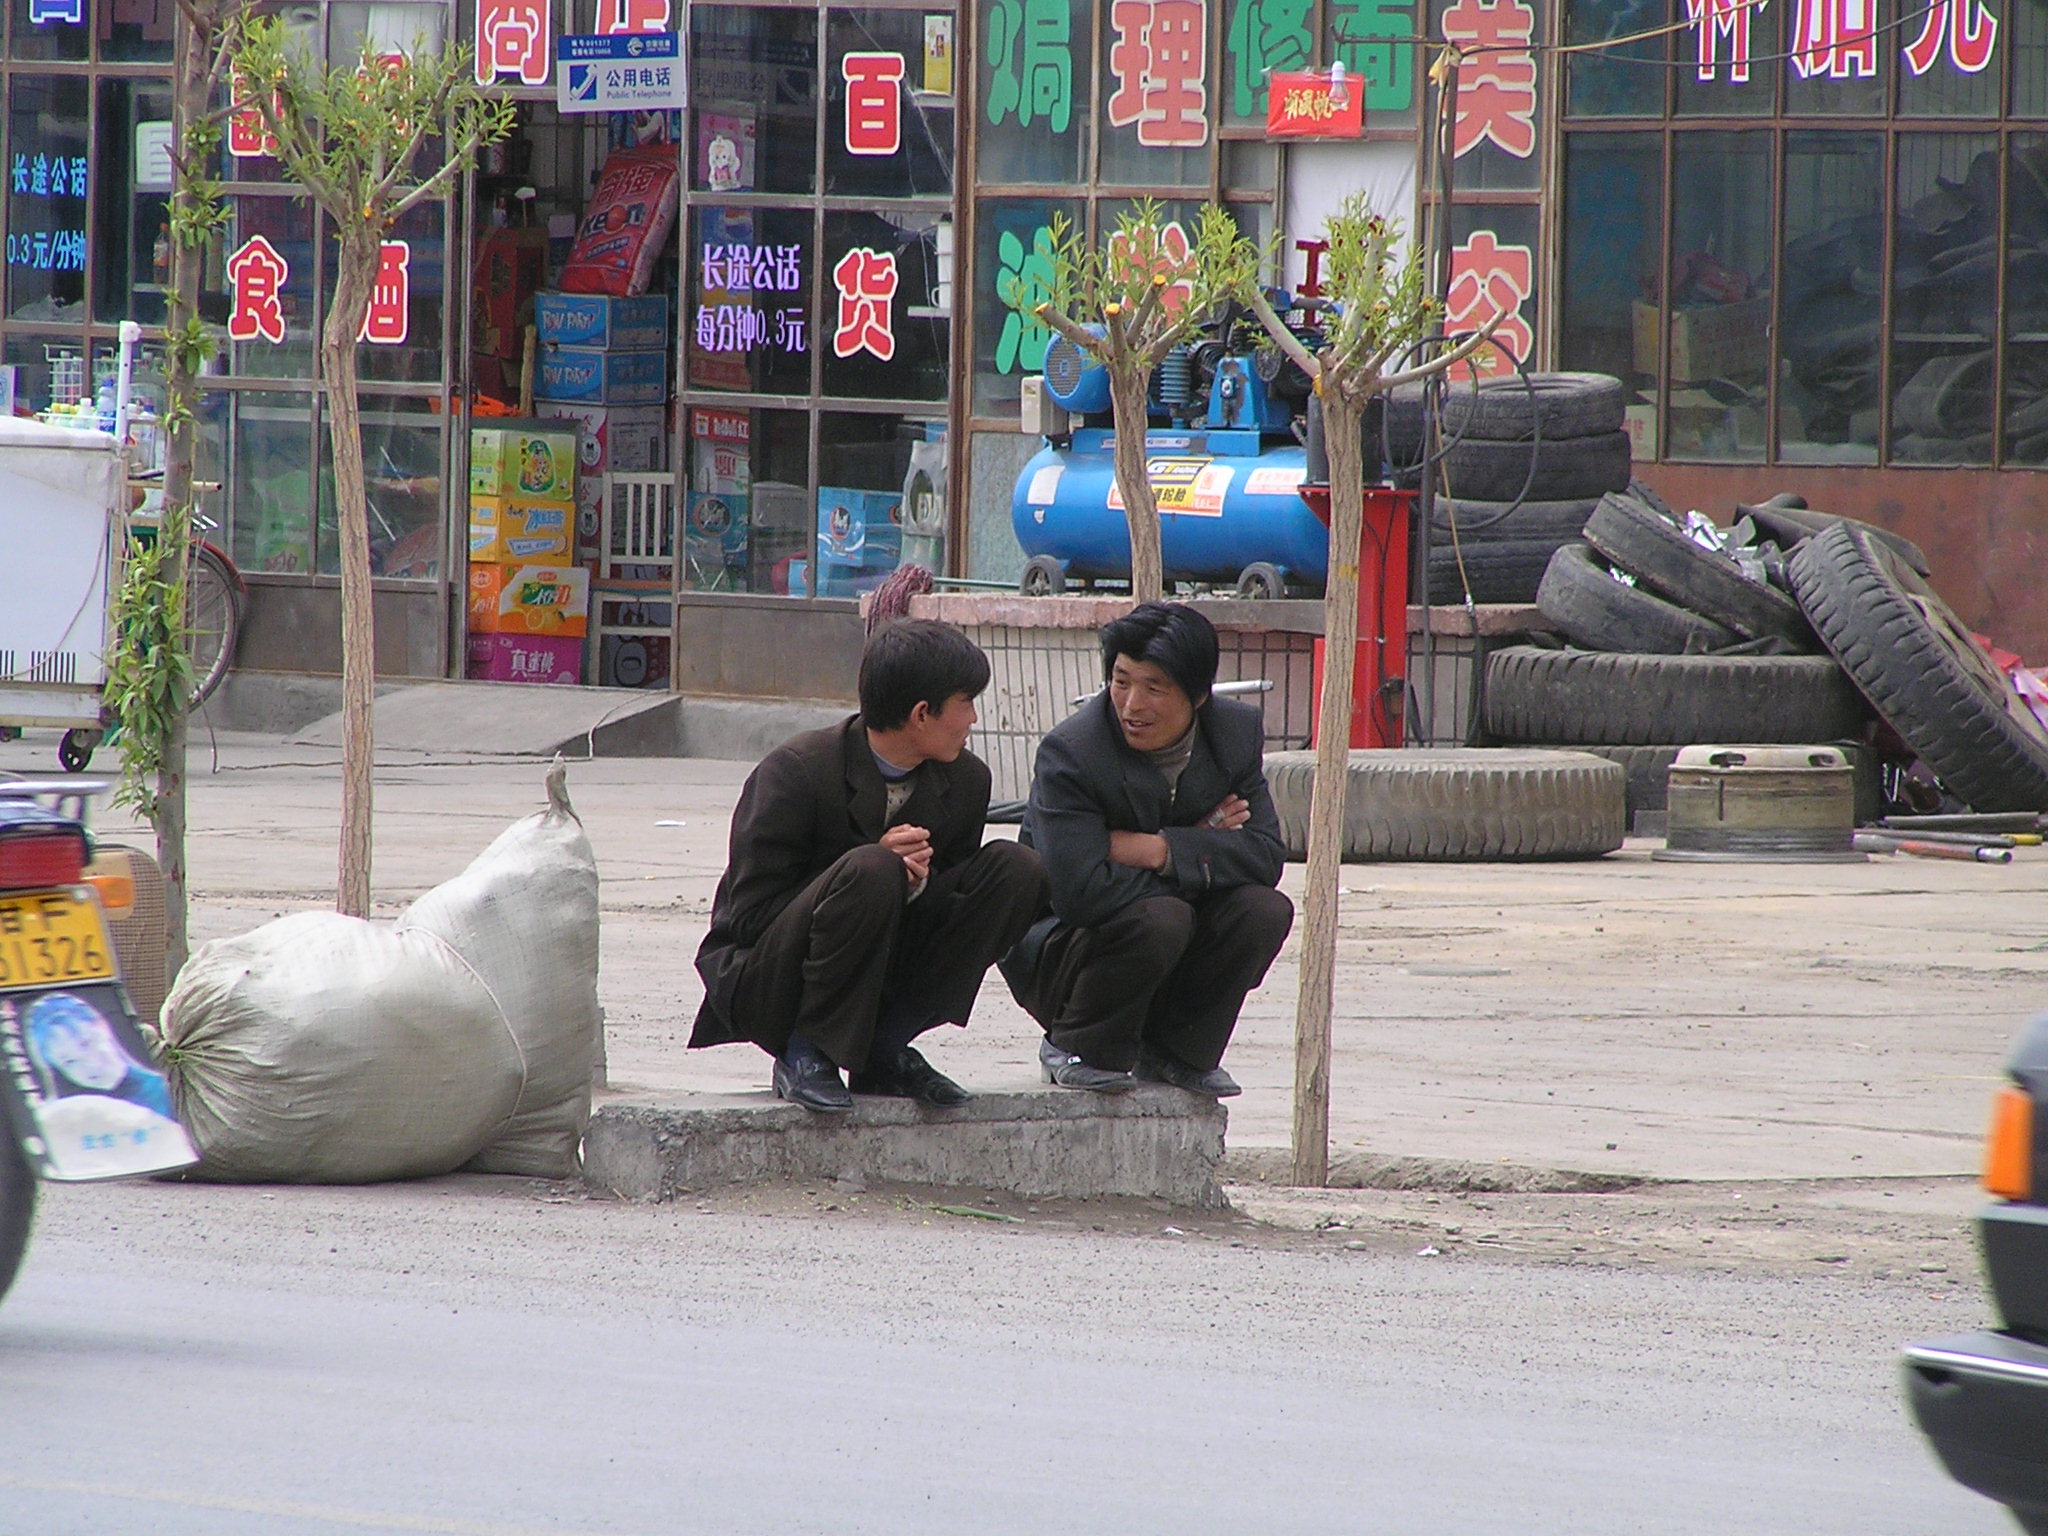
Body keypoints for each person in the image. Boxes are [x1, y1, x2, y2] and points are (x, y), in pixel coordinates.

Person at [691, 619, 1048, 1112]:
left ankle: (882, 1048)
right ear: (922, 714)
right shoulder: (795, 771)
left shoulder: (965, 780)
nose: (972, 719)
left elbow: (954, 900)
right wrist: (862, 872)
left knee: (1017, 869)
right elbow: (746, 918)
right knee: (873, 868)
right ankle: (805, 1051)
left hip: (881, 969)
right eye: (966, 703)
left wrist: (914, 884)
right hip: (770, 975)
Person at [1004, 602, 1294, 1097]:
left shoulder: (1233, 734)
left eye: (1154, 687)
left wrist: (1158, 850)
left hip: (1160, 930)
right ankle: (1076, 1045)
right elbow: (1080, 893)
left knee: (1262, 910)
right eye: (1121, 681)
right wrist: (1203, 847)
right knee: (1162, 917)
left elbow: (1264, 856)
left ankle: (1178, 1053)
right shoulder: (1072, 753)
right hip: (1064, 950)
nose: (1132, 705)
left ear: (1198, 695)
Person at [23, 990, 177, 1120]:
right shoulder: (64, 1120)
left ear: (101, 1026)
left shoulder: (169, 1093)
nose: (89, 1064)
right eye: (69, 1062)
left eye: (86, 1043)